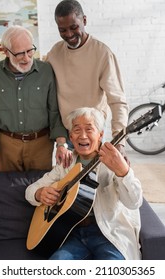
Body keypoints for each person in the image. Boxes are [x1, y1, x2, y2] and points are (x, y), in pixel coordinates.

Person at [25, 107, 143, 260]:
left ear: (100, 135)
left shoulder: (114, 161)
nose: (83, 135)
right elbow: (30, 190)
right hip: (73, 234)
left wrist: (123, 172)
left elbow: (134, 202)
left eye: (89, 129)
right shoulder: (65, 165)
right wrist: (39, 193)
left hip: (109, 233)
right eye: (77, 130)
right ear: (70, 137)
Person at [45, 0, 129, 161]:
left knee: (96, 181)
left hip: (92, 133)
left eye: (74, 27)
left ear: (84, 20)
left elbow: (118, 101)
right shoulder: (55, 53)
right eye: (62, 30)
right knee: (67, 184)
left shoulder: (102, 53)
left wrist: (120, 142)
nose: (69, 34)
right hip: (66, 132)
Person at [0, 25, 72, 172]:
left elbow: (55, 110)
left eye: (30, 51)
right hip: (7, 145)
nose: (27, 58)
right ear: (5, 51)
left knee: (41, 189)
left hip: (41, 144)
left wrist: (61, 144)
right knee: (7, 191)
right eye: (19, 54)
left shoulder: (46, 71)